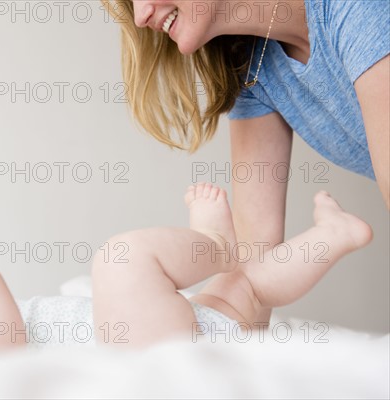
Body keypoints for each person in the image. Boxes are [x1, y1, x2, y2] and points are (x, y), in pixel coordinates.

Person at [102, 0, 388, 331]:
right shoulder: (254, 70)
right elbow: (254, 267)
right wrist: (213, 351)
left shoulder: (359, 10)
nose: (140, 16)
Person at [0, 184, 372, 357]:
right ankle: (212, 243)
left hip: (175, 339)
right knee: (120, 258)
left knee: (247, 286)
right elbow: (3, 347)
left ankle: (332, 236)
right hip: (143, 362)